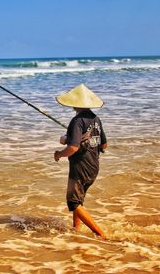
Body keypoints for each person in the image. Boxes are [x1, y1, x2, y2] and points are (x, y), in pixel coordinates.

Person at [54, 84, 107, 238]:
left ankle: (100, 234)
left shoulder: (77, 121)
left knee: (74, 203)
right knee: (79, 200)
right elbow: (104, 144)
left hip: (80, 168)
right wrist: (70, 138)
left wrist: (59, 154)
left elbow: (73, 148)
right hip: (93, 166)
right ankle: (76, 230)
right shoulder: (96, 119)